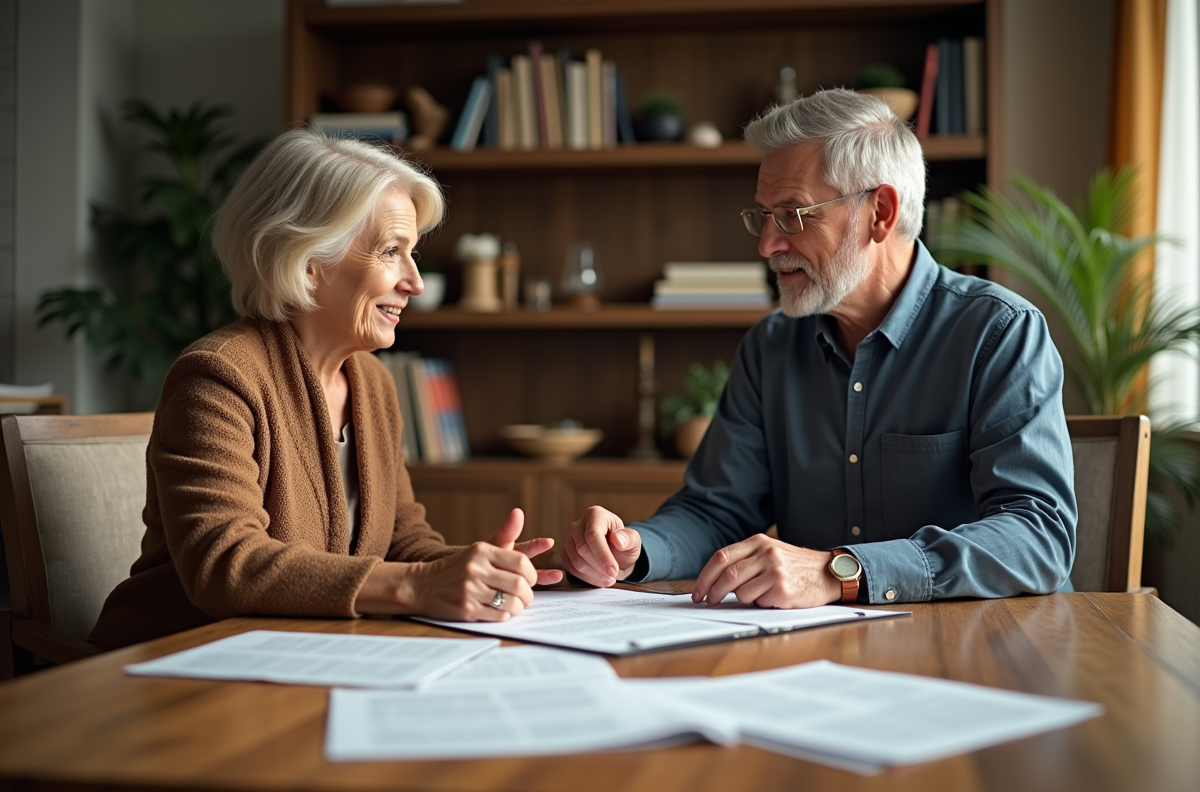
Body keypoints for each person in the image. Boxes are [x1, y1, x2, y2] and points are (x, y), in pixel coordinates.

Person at [562, 88, 1077, 608]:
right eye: (762, 216)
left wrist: (842, 572)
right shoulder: (770, 346)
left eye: (793, 214)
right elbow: (716, 512)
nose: (767, 244)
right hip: (815, 650)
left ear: (881, 212)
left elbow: (1038, 535)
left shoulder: (999, 333)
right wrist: (636, 548)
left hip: (976, 649)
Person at [89, 129, 561, 650]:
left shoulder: (373, 383)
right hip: (177, 664)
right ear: (309, 264)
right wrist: (421, 586)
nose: (415, 282)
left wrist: (501, 570)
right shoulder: (216, 377)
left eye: (414, 254)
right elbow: (225, 564)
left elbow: (403, 542)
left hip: (301, 654)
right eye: (390, 252)